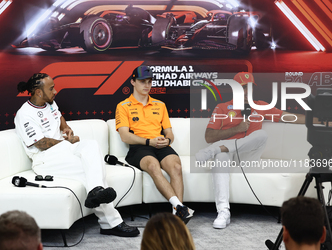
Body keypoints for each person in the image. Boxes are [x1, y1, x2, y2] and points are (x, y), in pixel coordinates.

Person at [14, 73, 139, 237]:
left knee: (92, 146)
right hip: (44, 159)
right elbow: (40, 143)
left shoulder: (49, 103)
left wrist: (65, 128)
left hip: (63, 151)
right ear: (38, 92)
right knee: (89, 169)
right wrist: (69, 142)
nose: (56, 91)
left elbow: (58, 117)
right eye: (51, 89)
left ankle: (96, 192)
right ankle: (111, 222)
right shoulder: (25, 114)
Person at [195, 72, 318, 229]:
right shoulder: (222, 108)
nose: (247, 92)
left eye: (250, 88)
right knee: (220, 158)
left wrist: (321, 121)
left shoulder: (261, 106)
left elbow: (288, 116)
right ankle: (223, 212)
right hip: (228, 155)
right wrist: (237, 128)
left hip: (249, 157)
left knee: (261, 134)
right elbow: (209, 136)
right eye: (243, 88)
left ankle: (215, 149)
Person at [116, 66, 194, 223]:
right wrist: (148, 141)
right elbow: (125, 136)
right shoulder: (123, 106)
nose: (146, 85)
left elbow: (169, 132)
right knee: (152, 165)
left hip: (160, 144)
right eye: (142, 81)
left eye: (149, 82)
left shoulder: (160, 104)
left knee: (176, 167)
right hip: (139, 147)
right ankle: (179, 207)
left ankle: (177, 215)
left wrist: (168, 140)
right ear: (132, 82)